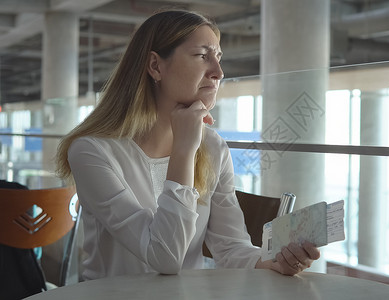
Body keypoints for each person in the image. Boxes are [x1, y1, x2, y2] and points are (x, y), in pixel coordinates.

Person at [55, 9, 320, 281]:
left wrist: (273, 263)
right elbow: (165, 257)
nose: (218, 72)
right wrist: (183, 150)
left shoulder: (213, 146)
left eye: (217, 58)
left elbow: (230, 247)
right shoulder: (91, 151)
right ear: (155, 66)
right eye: (202, 56)